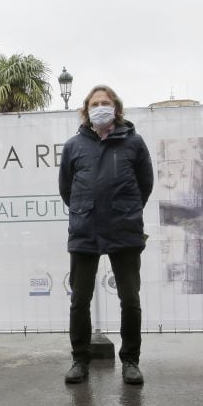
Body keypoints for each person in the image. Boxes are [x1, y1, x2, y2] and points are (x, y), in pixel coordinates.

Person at [59, 85, 154, 385]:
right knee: (79, 300)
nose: (100, 107)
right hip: (85, 230)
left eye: (106, 102)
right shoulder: (74, 146)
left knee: (130, 298)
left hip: (124, 230)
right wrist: (84, 208)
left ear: (116, 108)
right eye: (95, 103)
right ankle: (79, 360)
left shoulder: (134, 143)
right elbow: (67, 189)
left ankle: (130, 361)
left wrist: (125, 209)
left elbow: (145, 184)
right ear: (86, 110)